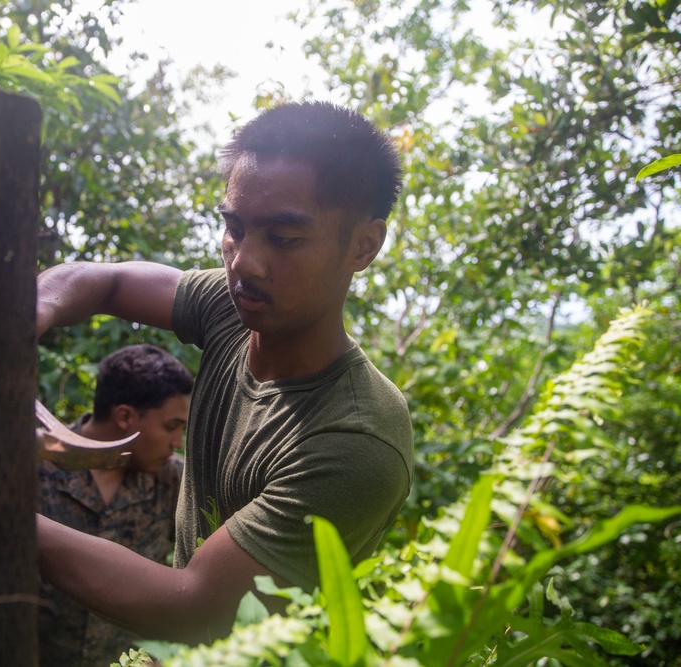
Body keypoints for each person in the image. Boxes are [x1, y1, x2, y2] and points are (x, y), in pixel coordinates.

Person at [35, 101, 414, 645]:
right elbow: (100, 281)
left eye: (284, 238)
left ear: (364, 245)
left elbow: (196, 607)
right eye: (234, 228)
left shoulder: (358, 439)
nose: (244, 262)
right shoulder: (233, 307)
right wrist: (22, 315)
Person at [37, 343, 193, 666]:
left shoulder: (175, 481)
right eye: (170, 426)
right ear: (124, 416)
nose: (178, 442)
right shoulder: (35, 468)